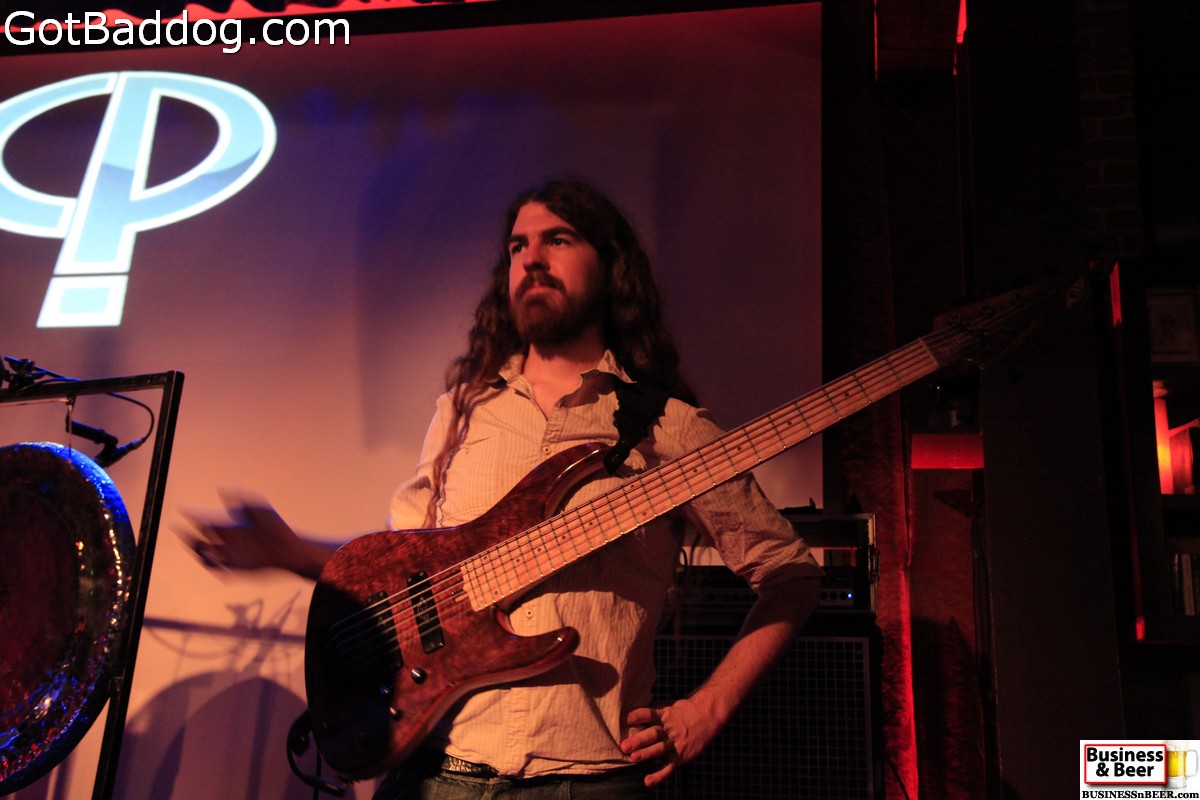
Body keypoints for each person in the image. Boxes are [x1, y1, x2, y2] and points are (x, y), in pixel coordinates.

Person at [189, 179, 821, 799]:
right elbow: (407, 582)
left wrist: (707, 709)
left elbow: (790, 574)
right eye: (518, 246)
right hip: (441, 773)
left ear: (610, 265)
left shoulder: (669, 428)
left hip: (590, 780)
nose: (532, 259)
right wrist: (293, 552)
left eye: (558, 240)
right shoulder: (464, 411)